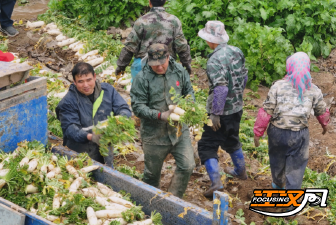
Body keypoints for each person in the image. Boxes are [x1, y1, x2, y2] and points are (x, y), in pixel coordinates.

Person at [254, 52, 330, 190]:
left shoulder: (278, 86)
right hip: (299, 135)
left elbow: (266, 111)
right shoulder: (313, 90)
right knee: (296, 167)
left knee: (276, 159)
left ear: (289, 67)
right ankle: (291, 201)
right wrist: (324, 126)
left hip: (277, 133)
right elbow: (321, 111)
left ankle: (278, 184)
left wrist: (257, 133)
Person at [130, 43, 195, 198]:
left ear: (168, 57)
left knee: (187, 165)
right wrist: (160, 115)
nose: (159, 67)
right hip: (154, 134)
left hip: (179, 131)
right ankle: (151, 202)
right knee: (152, 174)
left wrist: (189, 104)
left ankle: (173, 198)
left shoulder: (179, 71)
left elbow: (189, 91)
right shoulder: (142, 78)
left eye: (162, 63)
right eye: (155, 65)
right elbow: (138, 107)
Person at [196, 21, 249, 197]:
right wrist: (238, 95)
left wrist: (215, 114)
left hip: (221, 112)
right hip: (236, 108)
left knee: (207, 145)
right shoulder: (236, 51)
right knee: (232, 139)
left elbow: (220, 88)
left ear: (212, 41)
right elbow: (244, 76)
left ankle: (216, 183)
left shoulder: (214, 60)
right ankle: (241, 171)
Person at [56, 62, 132, 167]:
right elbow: (70, 129)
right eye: (80, 81)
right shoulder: (68, 102)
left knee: (105, 175)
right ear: (74, 82)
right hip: (79, 154)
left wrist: (120, 118)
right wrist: (91, 137)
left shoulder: (107, 90)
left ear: (95, 77)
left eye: (89, 80)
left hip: (105, 149)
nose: (86, 85)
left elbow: (123, 108)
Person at [116, 0, 192, 81]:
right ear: (165, 2)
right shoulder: (174, 21)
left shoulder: (141, 21)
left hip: (144, 64)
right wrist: (187, 64)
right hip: (166, 65)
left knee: (139, 86)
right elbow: (181, 46)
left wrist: (121, 66)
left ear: (149, 3)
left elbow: (130, 47)